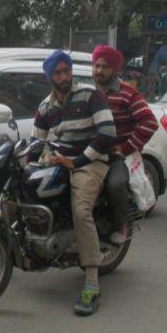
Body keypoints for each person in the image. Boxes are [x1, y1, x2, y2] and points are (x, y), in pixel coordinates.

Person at [30, 50, 117, 316]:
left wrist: (77, 162)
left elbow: (107, 134)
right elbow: (37, 142)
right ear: (50, 77)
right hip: (59, 162)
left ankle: (91, 284)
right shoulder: (45, 108)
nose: (64, 76)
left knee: (81, 211)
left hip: (90, 163)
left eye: (66, 71)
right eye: (58, 73)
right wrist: (36, 158)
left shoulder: (91, 96)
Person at [92, 46, 159, 245]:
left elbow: (150, 122)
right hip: (93, 151)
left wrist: (125, 147)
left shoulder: (127, 93)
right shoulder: (89, 92)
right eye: (96, 66)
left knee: (115, 184)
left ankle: (121, 224)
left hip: (119, 156)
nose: (99, 71)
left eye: (104, 67)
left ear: (114, 70)